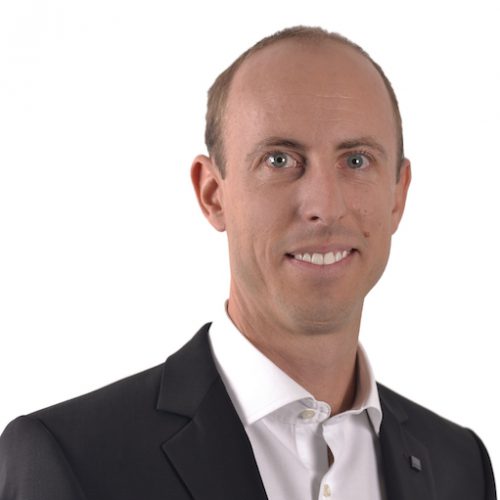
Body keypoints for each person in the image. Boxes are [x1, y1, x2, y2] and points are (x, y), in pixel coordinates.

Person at [0, 25, 496, 500]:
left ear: (397, 196)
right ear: (212, 194)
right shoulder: (70, 458)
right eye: (279, 159)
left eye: (357, 160)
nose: (325, 205)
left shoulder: (461, 466)